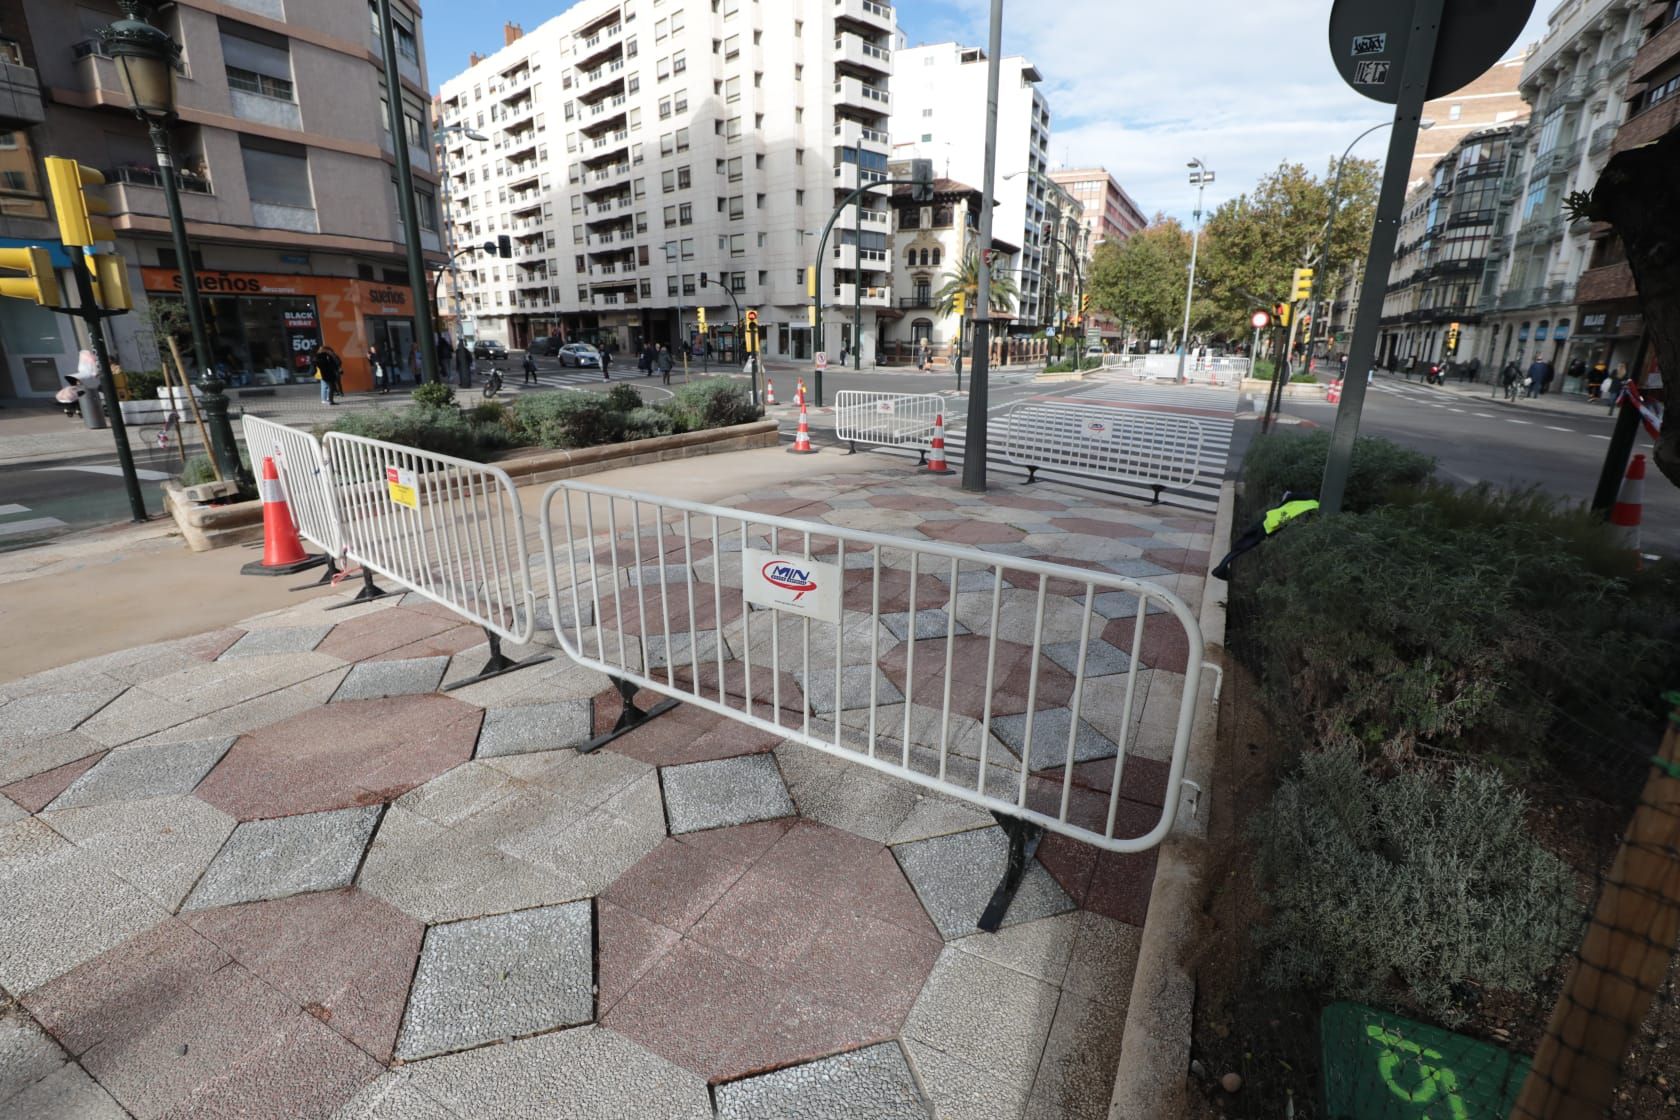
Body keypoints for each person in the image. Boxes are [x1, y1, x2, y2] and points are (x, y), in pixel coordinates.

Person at [1211, 492, 1319, 581]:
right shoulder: (1314, 508)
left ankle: (1222, 568)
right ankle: (1221, 569)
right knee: (1245, 545)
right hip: (1273, 527)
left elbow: (1287, 498)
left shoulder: (1310, 500)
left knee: (1243, 544)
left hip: (1270, 519)